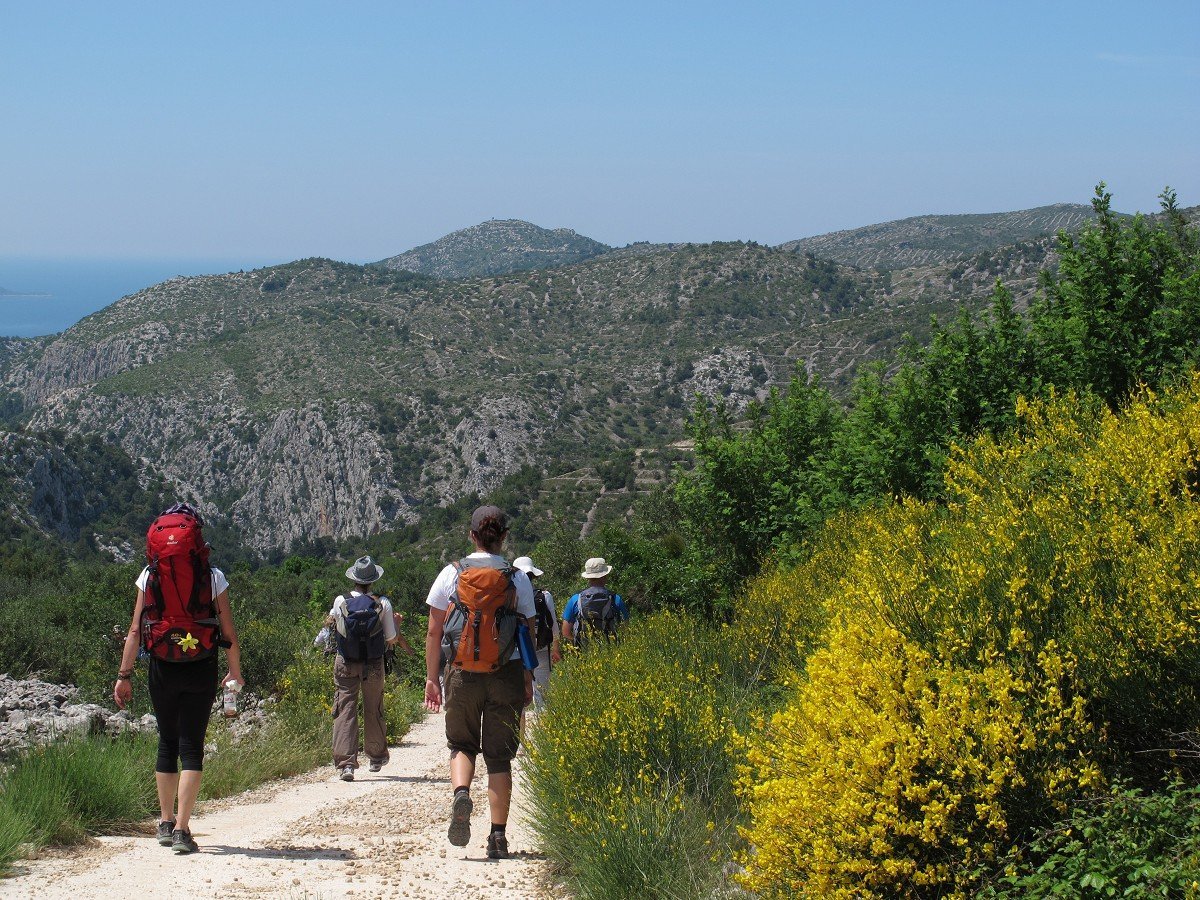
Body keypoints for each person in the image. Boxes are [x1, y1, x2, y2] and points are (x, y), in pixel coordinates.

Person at [113, 503, 242, 855]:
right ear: (197, 539)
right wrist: (235, 672)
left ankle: (165, 823)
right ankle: (184, 830)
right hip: (201, 663)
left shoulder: (149, 574)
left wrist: (124, 675)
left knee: (167, 742)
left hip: (162, 665)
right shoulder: (213, 576)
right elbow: (228, 632)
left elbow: (135, 630)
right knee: (192, 746)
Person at [424, 505, 536, 860]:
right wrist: (528, 678)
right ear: (504, 537)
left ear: (471, 534)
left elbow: (433, 630)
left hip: (460, 672)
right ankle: (498, 838)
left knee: (461, 743)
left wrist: (432, 679)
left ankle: (461, 793)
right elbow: (527, 631)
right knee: (500, 758)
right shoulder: (517, 577)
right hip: (506, 673)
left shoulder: (452, 573)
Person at [329, 555, 402, 781]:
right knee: (373, 706)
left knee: (345, 708)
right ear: (373, 580)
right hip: (373, 662)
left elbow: (334, 626)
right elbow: (390, 638)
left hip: (346, 662)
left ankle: (346, 764)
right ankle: (376, 757)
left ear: (354, 578)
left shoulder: (340, 600)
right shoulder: (383, 603)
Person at [512, 556, 560, 710]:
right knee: (542, 694)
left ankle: (519, 732)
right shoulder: (545, 596)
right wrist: (556, 649)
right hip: (540, 649)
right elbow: (553, 626)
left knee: (517, 697)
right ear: (533, 575)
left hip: (515, 651)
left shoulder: (509, 596)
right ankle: (543, 732)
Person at [561, 557, 629, 649]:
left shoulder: (576, 600)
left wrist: (579, 647)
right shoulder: (616, 599)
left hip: (585, 654)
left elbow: (565, 632)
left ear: (588, 578)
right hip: (612, 652)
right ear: (604, 576)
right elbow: (625, 630)